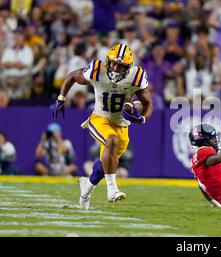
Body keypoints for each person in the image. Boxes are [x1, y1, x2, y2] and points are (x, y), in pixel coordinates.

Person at [50, 43, 153, 210]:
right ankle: (112, 190)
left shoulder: (136, 76)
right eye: (113, 63)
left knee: (101, 167)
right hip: (99, 118)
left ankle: (86, 189)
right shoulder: (97, 69)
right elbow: (72, 76)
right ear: (108, 61)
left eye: (121, 65)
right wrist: (61, 99)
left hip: (121, 124)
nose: (115, 67)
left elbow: (148, 103)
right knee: (110, 141)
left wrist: (142, 119)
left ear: (129, 67)